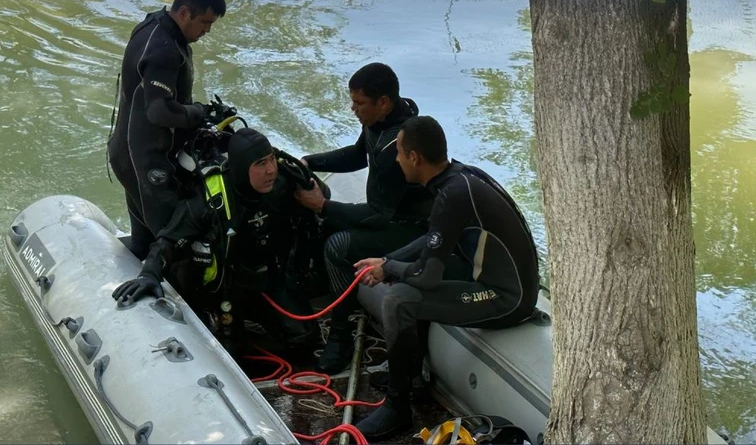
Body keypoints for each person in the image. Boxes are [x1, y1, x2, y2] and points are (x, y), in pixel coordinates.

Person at [352, 116, 541, 439]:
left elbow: (427, 277)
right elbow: (432, 240)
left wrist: (389, 270)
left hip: (507, 299)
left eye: (399, 153)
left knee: (400, 300)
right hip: (497, 281)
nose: (396, 159)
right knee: (408, 279)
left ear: (414, 158)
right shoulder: (459, 178)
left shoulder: (452, 195)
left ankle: (396, 408)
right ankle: (413, 377)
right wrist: (388, 260)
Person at [112, 128, 326, 351]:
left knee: (304, 337)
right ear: (242, 167)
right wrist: (150, 274)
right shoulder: (211, 199)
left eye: (272, 159)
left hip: (269, 278)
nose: (271, 170)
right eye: (261, 164)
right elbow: (169, 241)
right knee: (231, 350)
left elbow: (322, 202)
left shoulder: (283, 181)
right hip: (225, 287)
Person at [294, 62, 435, 374]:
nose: (353, 109)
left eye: (359, 104)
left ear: (382, 102)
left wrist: (322, 206)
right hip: (387, 213)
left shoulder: (397, 147)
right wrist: (308, 162)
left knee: (338, 245)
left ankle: (340, 337)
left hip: (409, 230)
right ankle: (324, 290)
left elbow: (379, 215)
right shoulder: (380, 119)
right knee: (326, 224)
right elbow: (359, 154)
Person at [107, 0, 227, 261]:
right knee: (174, 243)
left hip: (129, 153)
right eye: (204, 22)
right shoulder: (165, 49)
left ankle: (138, 261)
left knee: (143, 240)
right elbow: (158, 111)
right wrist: (196, 113)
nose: (207, 30)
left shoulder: (152, 25)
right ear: (184, 12)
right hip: (146, 162)